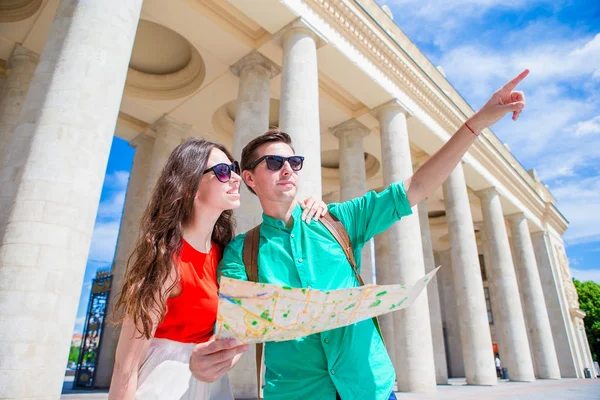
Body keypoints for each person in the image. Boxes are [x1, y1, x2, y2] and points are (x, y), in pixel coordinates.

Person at [214, 69, 529, 400]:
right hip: (298, 392)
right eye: (275, 163)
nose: (288, 168)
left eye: (294, 160)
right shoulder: (240, 252)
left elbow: (417, 185)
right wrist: (219, 358)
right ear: (249, 178)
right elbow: (239, 328)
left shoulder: (340, 219)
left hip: (370, 388)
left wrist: (476, 124)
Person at [107, 138, 328, 400]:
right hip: (163, 384)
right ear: (189, 186)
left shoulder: (228, 256)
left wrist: (310, 210)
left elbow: (236, 336)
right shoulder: (166, 259)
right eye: (223, 172)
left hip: (213, 387)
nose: (235, 178)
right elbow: (125, 368)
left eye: (233, 168)